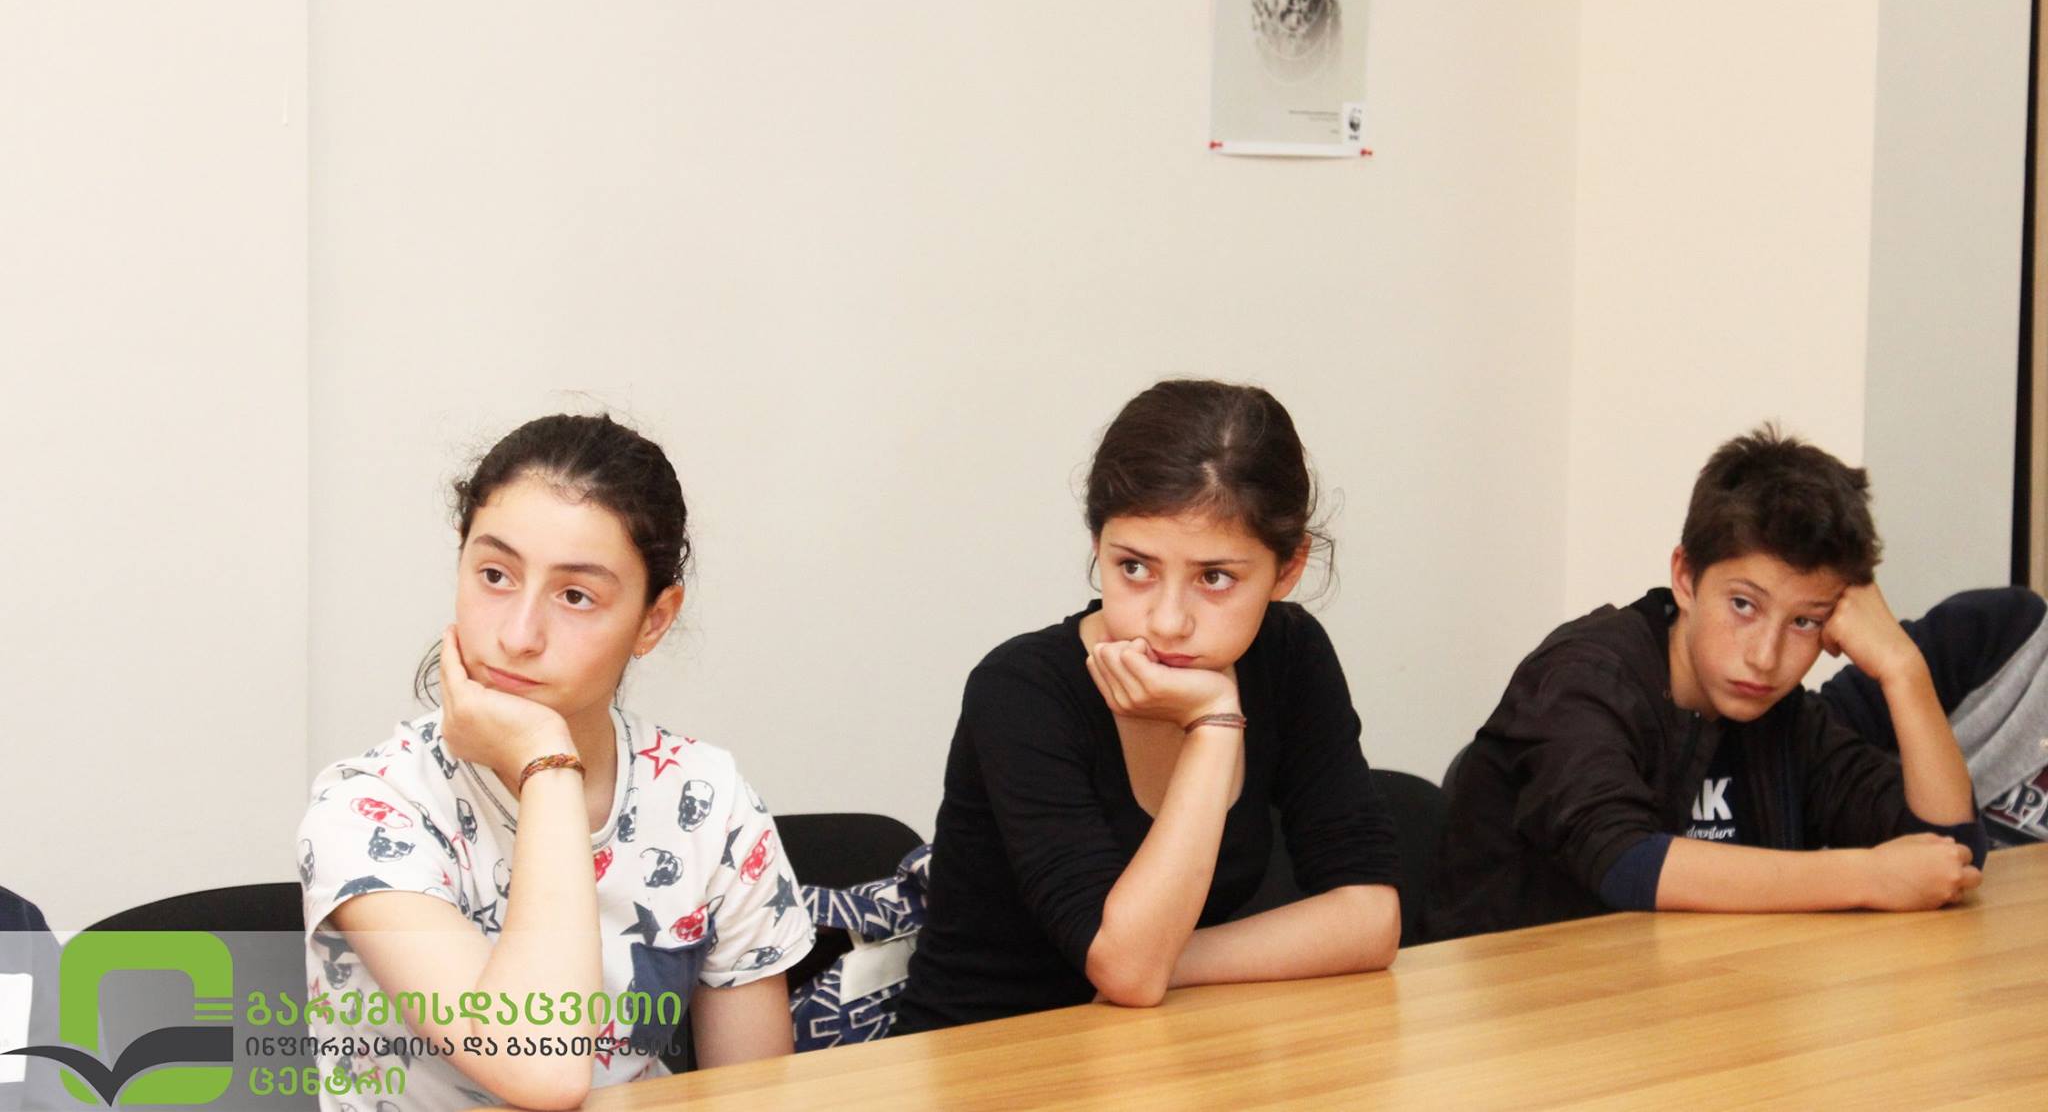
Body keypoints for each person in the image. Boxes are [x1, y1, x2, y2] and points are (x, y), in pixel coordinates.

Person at [297, 414, 811, 1111]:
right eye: (495, 575)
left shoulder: (709, 801)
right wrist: (547, 762)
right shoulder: (369, 811)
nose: (518, 635)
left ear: (653, 620)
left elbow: (755, 1098)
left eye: (575, 596)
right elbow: (542, 1070)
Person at [891, 379, 1401, 1034]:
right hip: (988, 1053)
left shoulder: (1289, 655)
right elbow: (1129, 972)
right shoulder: (1021, 688)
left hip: (1164, 1045)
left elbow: (1370, 919)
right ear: (1097, 545)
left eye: (1214, 577)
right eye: (1134, 567)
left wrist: (1166, 962)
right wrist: (1216, 721)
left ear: (1288, 569)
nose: (1166, 622)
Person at [1430, 425, 2022, 942]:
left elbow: (1950, 852)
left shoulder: (1784, 717)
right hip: (1523, 1011)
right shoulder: (1583, 678)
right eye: (1743, 605)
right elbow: (1625, 863)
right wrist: (1866, 877)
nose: (1765, 658)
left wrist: (1903, 668)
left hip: (1696, 1002)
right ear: (1686, 578)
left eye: (1804, 621)